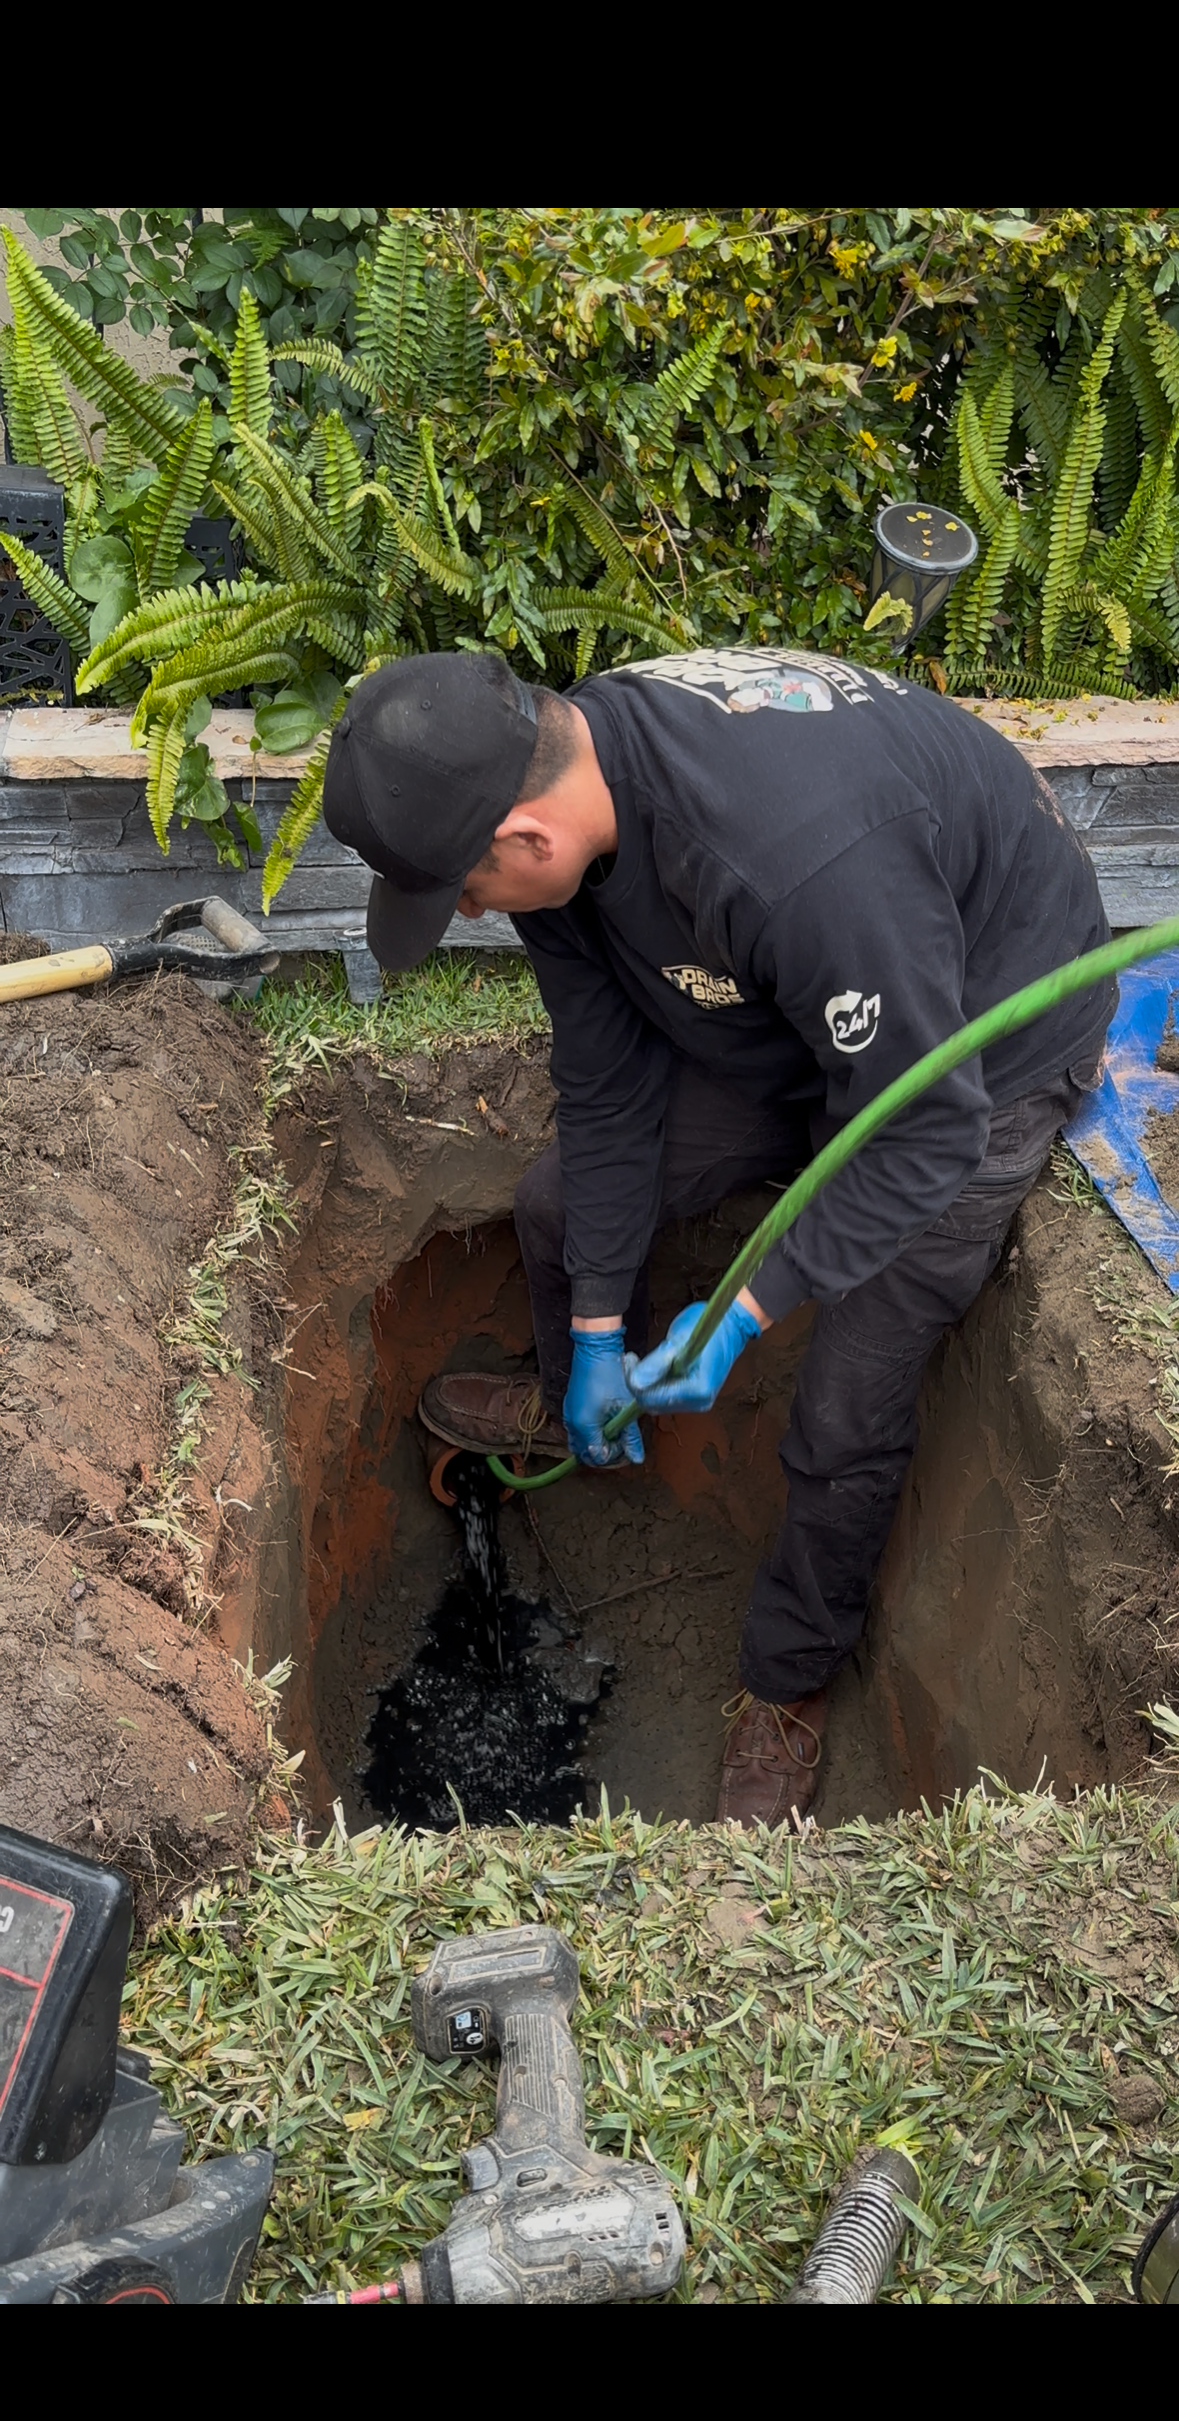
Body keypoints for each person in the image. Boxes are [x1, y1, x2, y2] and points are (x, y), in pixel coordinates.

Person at [322, 645, 1114, 1829]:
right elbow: (607, 1088)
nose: (470, 912)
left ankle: (789, 1684)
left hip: (975, 1055)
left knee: (844, 1407)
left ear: (525, 836)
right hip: (800, 1014)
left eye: (465, 890)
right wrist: (599, 1329)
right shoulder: (572, 818)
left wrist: (742, 1314)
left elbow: (921, 1133)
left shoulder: (795, 858)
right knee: (557, 1208)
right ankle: (578, 1403)